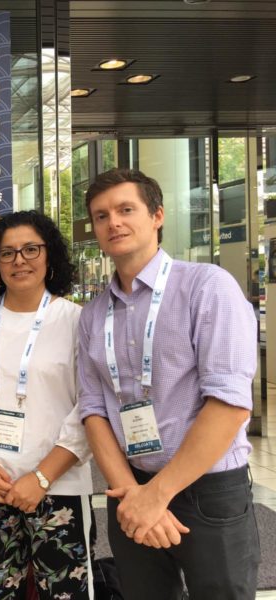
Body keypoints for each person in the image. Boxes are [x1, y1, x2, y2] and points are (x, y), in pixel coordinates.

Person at [78, 168, 259, 599]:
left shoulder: (206, 288)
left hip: (208, 491)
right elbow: (93, 409)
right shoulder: (92, 314)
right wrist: (133, 496)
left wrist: (157, 495)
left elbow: (230, 403)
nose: (113, 223)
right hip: (131, 486)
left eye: (126, 210)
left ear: (157, 216)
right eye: (101, 216)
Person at [0, 211, 94, 599]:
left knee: (66, 592)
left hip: (60, 487)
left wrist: (40, 478)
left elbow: (89, 410)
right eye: (7, 253)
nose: (19, 260)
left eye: (30, 249)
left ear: (49, 256)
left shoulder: (78, 322)